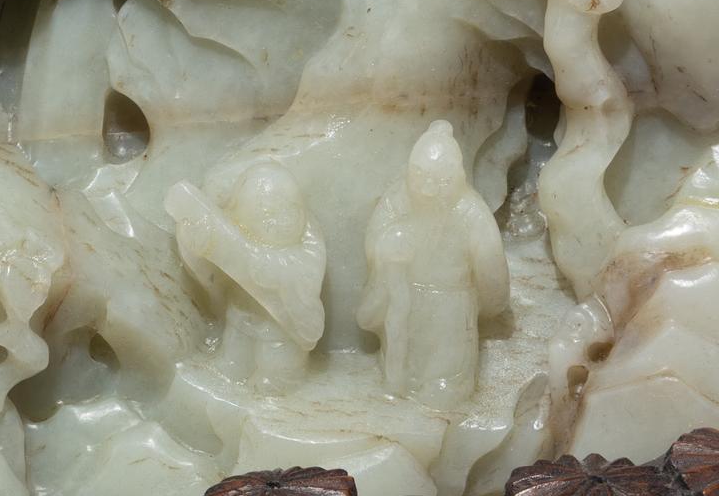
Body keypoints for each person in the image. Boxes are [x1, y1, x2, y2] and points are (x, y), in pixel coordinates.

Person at [358, 120, 510, 401]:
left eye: (441, 181)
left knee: (444, 390)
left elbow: (494, 282)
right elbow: (374, 246)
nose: (427, 189)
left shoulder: (471, 212)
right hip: (405, 302)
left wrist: (477, 309)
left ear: (458, 177)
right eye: (419, 176)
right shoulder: (397, 199)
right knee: (403, 374)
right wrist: (392, 242)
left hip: (452, 312)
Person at [168, 160, 326, 387]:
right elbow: (211, 273)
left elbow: (275, 271)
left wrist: (239, 251)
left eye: (291, 210)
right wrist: (196, 239)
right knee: (231, 364)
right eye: (267, 213)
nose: (281, 221)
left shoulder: (306, 251)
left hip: (281, 332)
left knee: (273, 376)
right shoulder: (236, 240)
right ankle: (234, 365)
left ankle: (280, 375)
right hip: (241, 316)